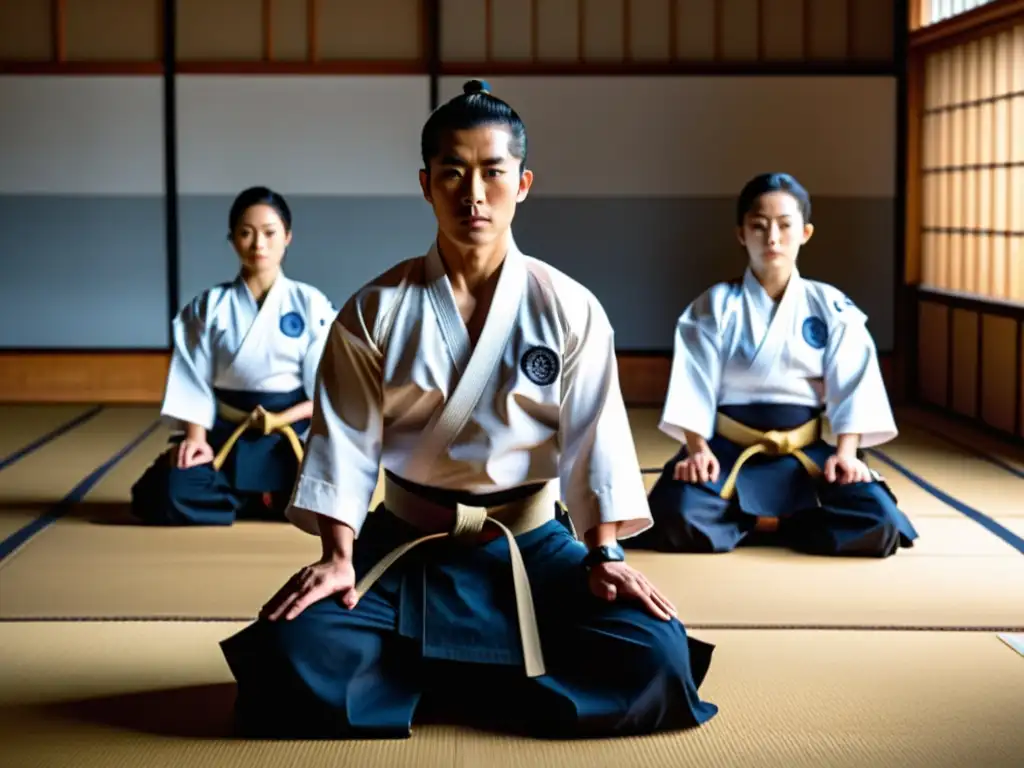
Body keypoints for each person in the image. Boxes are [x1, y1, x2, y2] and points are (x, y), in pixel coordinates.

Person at [219, 80, 718, 740]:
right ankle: (502, 678)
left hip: (534, 544)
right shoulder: (373, 310)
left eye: (493, 172)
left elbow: (598, 440)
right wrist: (338, 553)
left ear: (525, 181)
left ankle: (416, 677)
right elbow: (342, 443)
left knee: (656, 656)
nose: (473, 193)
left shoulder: (569, 307)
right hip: (407, 542)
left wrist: (605, 552)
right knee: (289, 651)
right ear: (426, 184)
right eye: (452, 173)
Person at [627, 172, 919, 558]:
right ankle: (791, 523)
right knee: (677, 513)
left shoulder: (831, 307)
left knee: (878, 521)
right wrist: (697, 449)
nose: (773, 238)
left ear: (806, 233)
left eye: (785, 225)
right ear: (741, 234)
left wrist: (847, 454)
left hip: (807, 454)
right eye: (759, 226)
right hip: (727, 452)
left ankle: (752, 523)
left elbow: (855, 384)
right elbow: (692, 383)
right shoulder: (714, 306)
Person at [130, 186, 336, 526]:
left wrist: (285, 423)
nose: (259, 245)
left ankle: (250, 499)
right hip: (228, 431)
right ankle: (268, 502)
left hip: (292, 433)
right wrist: (196, 440)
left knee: (333, 493)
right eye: (246, 233)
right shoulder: (209, 307)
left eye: (270, 233)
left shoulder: (311, 304)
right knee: (167, 491)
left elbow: (326, 390)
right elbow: (191, 380)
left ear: (287, 237)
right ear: (232, 239)